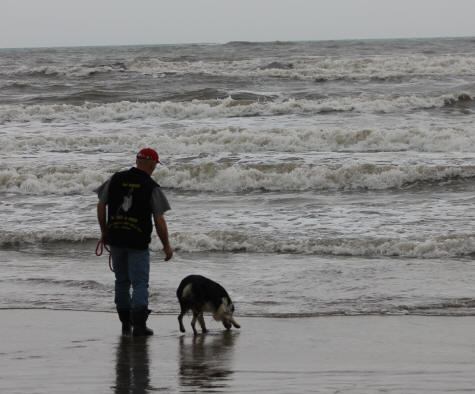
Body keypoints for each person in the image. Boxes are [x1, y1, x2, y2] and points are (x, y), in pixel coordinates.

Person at [95, 148, 173, 336]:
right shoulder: (150, 185)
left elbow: (101, 204)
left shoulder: (116, 179)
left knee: (121, 280)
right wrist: (167, 246)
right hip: (137, 241)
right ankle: (139, 326)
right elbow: (159, 219)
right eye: (155, 164)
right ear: (152, 164)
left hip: (116, 237)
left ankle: (125, 324)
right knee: (139, 283)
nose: (155, 168)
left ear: (137, 161)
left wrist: (104, 231)